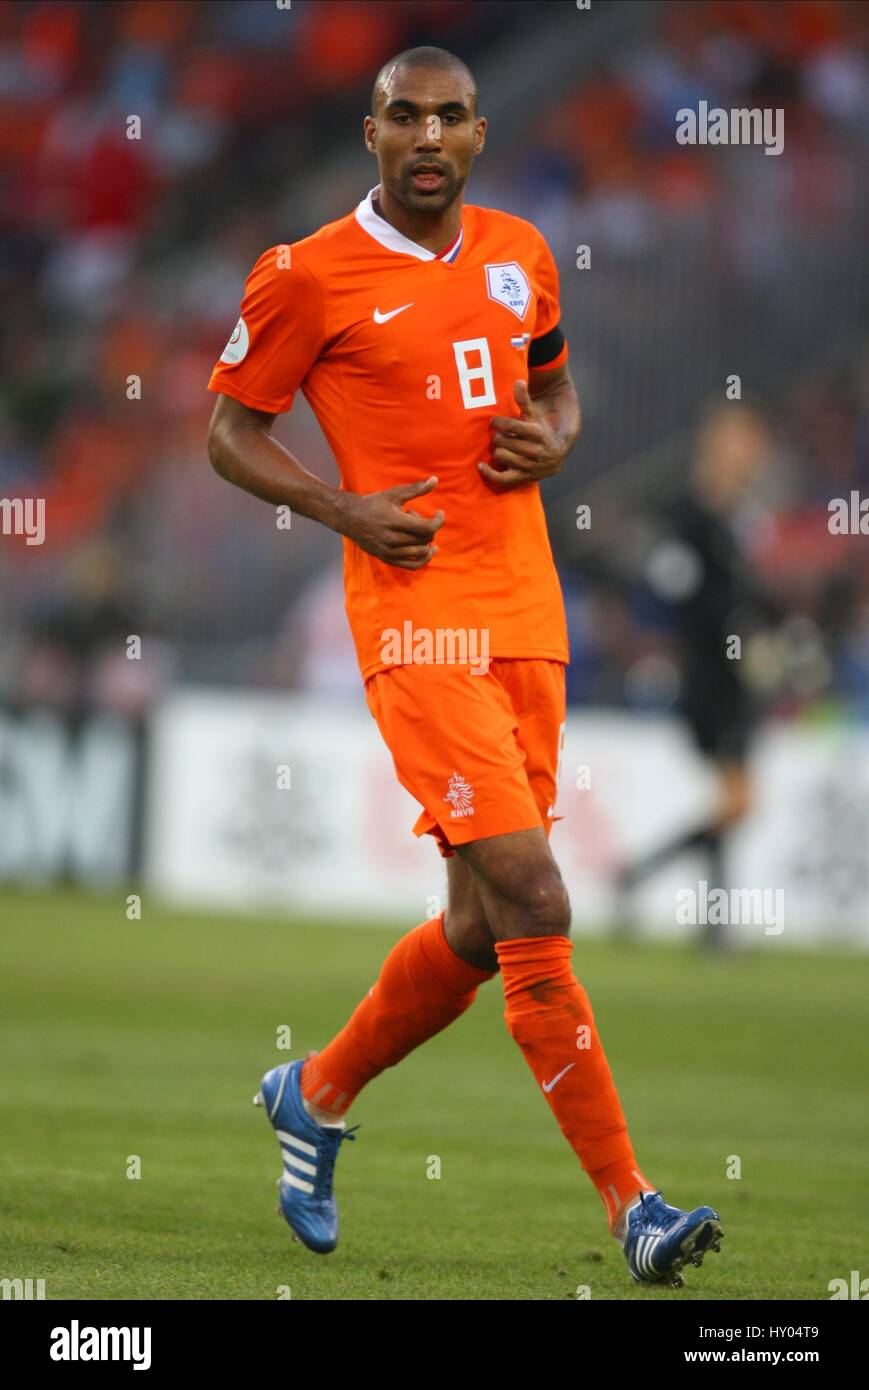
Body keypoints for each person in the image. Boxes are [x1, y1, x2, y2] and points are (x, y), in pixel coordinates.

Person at [206, 46, 722, 1288]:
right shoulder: (304, 275)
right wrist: (343, 510)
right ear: (369, 131)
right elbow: (228, 432)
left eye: (448, 117)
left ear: (479, 134)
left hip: (527, 612)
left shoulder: (522, 252)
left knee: (482, 928)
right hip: (414, 621)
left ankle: (314, 1089)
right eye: (403, 116)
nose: (426, 134)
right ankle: (634, 1208)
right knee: (537, 902)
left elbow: (558, 397)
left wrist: (554, 441)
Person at [615, 403, 778, 950]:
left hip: (735, 678)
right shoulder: (687, 516)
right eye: (738, 443)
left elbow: (748, 595)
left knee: (730, 800)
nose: (748, 454)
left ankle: (710, 923)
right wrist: (742, 629)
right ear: (715, 448)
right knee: (737, 800)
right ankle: (642, 879)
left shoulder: (740, 520)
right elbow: (682, 596)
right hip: (708, 678)